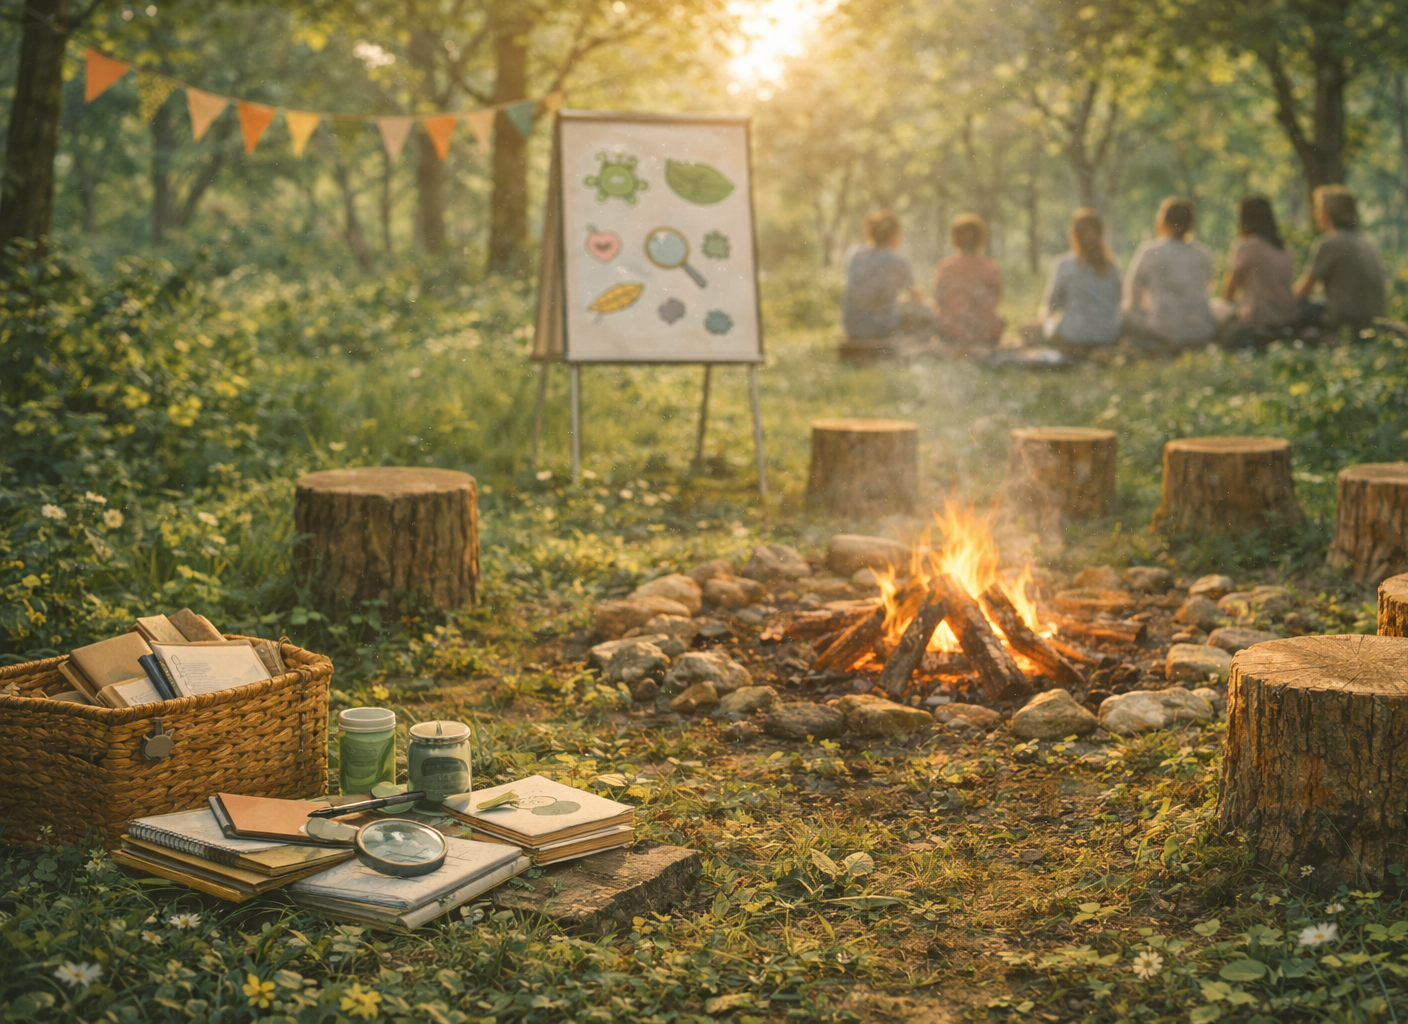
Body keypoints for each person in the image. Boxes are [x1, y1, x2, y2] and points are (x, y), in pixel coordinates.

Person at [1123, 197, 1217, 352]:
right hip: (1201, 332)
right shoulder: (1203, 253)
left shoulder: (1150, 250)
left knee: (1125, 311)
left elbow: (1133, 297)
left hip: (1164, 331)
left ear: (1162, 222)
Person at [1293, 185, 1386, 336]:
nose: (1315, 214)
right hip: (1374, 320)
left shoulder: (1329, 243)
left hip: (1345, 322)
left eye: (1318, 209)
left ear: (1327, 213)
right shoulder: (1367, 242)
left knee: (1295, 309)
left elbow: (1302, 292)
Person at [1217, 194, 1299, 348]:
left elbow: (1228, 293)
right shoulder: (1283, 247)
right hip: (1286, 320)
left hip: (1257, 321)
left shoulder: (1245, 246)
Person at [841, 210, 936, 341]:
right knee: (926, 309)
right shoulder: (899, 261)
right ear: (895, 235)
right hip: (880, 329)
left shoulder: (853, 253)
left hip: (851, 327)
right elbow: (916, 296)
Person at [1039, 207, 1123, 352]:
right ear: (1101, 235)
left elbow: (1050, 306)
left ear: (1073, 236)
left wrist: (1045, 325)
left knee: (1030, 328)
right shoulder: (1113, 265)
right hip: (1109, 336)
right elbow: (1119, 303)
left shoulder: (1063, 264)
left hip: (1073, 337)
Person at [932, 213, 1004, 349]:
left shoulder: (946, 266)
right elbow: (996, 299)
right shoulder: (990, 266)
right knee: (1000, 320)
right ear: (981, 239)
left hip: (952, 332)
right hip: (985, 332)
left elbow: (939, 300)